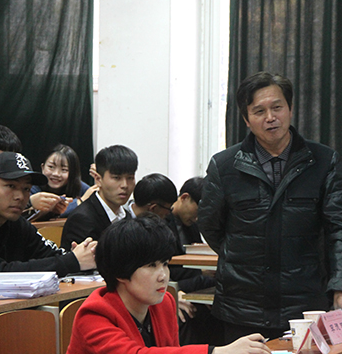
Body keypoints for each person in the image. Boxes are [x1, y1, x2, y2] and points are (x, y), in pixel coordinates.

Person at [198, 71, 342, 343]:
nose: (270, 117)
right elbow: (210, 226)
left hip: (305, 306)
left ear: (290, 109)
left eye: (277, 107)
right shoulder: (225, 165)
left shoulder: (323, 161)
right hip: (242, 308)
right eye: (259, 111)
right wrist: (244, 256)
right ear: (246, 119)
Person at [67, 214, 271, 354]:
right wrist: (217, 352)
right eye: (151, 266)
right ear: (121, 271)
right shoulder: (94, 316)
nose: (163, 276)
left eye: (165, 264)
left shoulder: (164, 303)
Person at [0, 152, 96, 276]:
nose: (20, 196)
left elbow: (52, 255)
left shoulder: (16, 223)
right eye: (10, 186)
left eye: (26, 189)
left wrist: (83, 254)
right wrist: (70, 262)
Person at [166, 177, 222, 345]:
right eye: (198, 211)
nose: (198, 218)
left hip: (187, 280)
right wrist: (201, 271)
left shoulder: (191, 225)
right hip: (172, 281)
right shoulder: (164, 221)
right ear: (185, 198)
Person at [61, 145, 137, 250]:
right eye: (116, 178)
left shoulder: (126, 216)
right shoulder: (81, 220)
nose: (125, 185)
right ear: (98, 179)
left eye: (130, 178)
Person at [28, 144, 98, 221]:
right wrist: (80, 201)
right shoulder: (31, 187)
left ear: (72, 173)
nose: (56, 174)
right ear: (42, 167)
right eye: (51, 167)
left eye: (64, 170)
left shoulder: (81, 188)